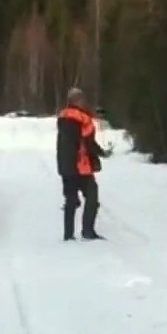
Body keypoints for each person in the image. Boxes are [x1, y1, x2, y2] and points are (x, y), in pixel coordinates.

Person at [56, 87, 110, 240]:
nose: (85, 102)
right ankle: (88, 231)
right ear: (78, 101)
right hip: (81, 165)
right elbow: (87, 142)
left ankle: (68, 234)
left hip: (65, 166)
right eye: (82, 99)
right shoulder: (83, 119)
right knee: (92, 196)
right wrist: (101, 153)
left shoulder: (62, 117)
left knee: (71, 200)